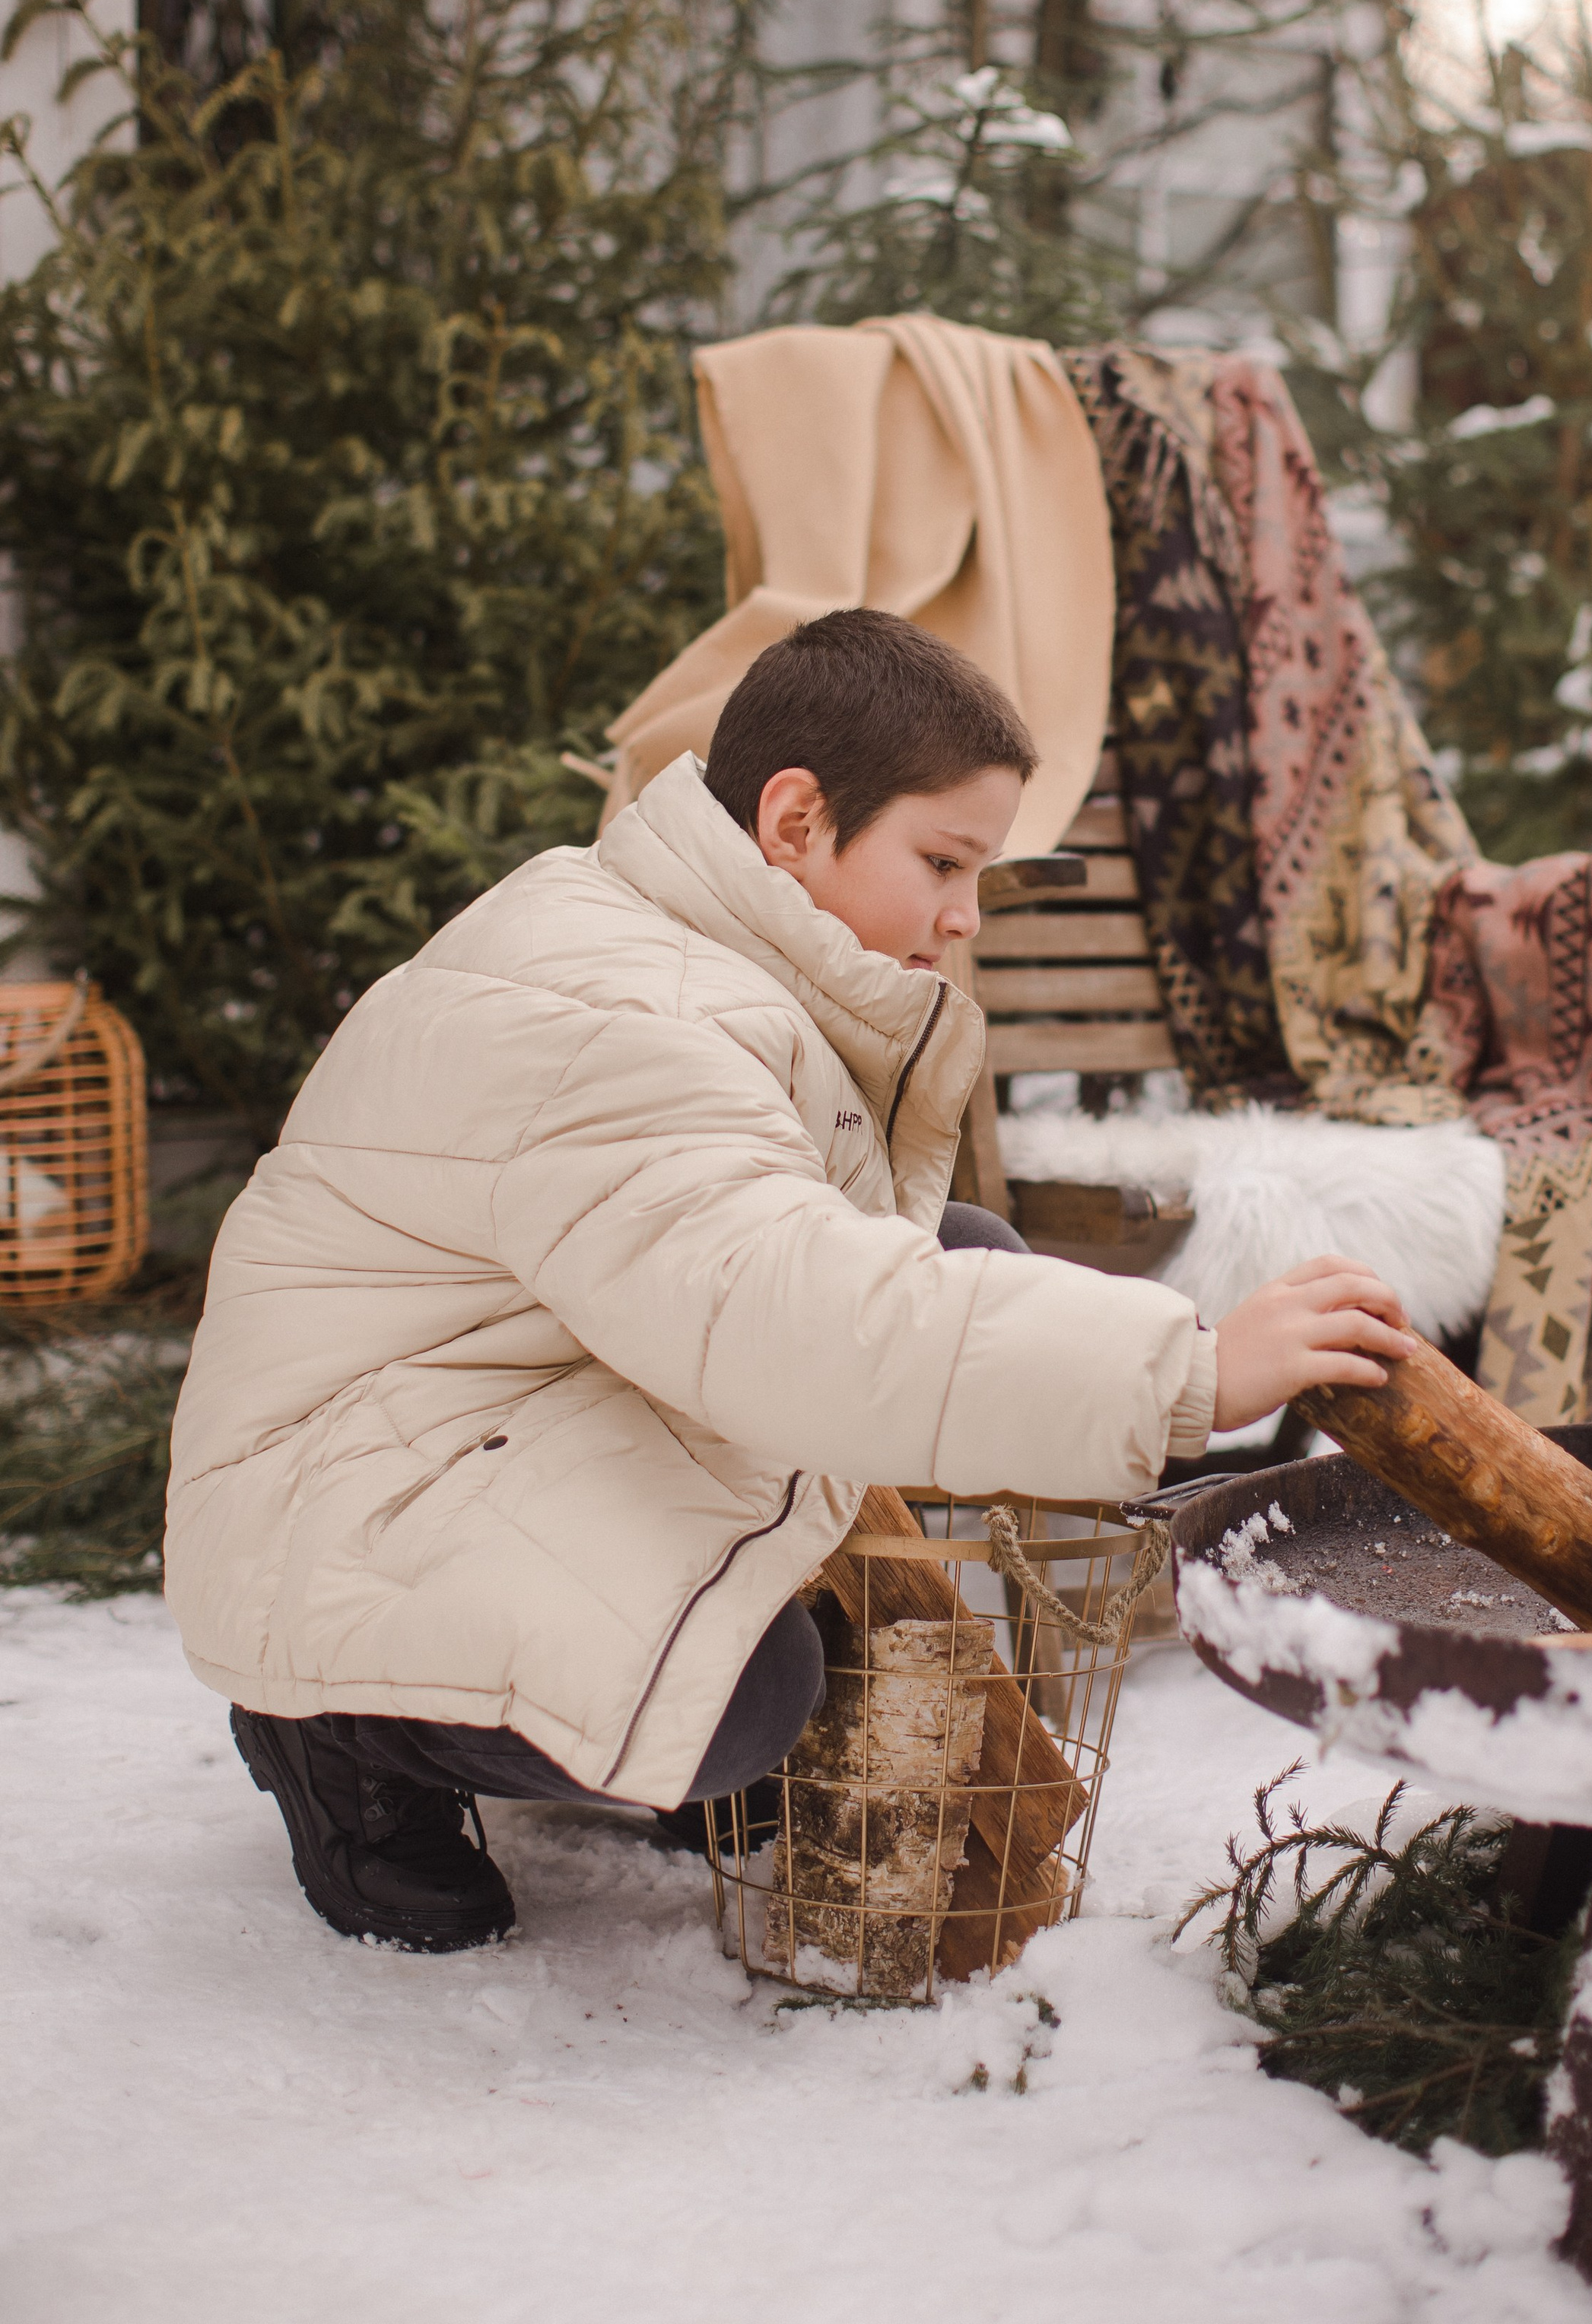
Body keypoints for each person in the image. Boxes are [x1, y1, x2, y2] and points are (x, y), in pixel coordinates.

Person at [164, 609, 1417, 1952]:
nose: (963, 915)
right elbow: (787, 1314)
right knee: (749, 1702)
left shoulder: (696, 948)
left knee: (965, 1258)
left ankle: (619, 1679)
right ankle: (344, 1740)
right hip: (348, 1502)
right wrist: (1194, 1371)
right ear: (795, 817)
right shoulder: (617, 1015)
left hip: (509, 1403)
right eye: (942, 860)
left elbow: (782, 1274)